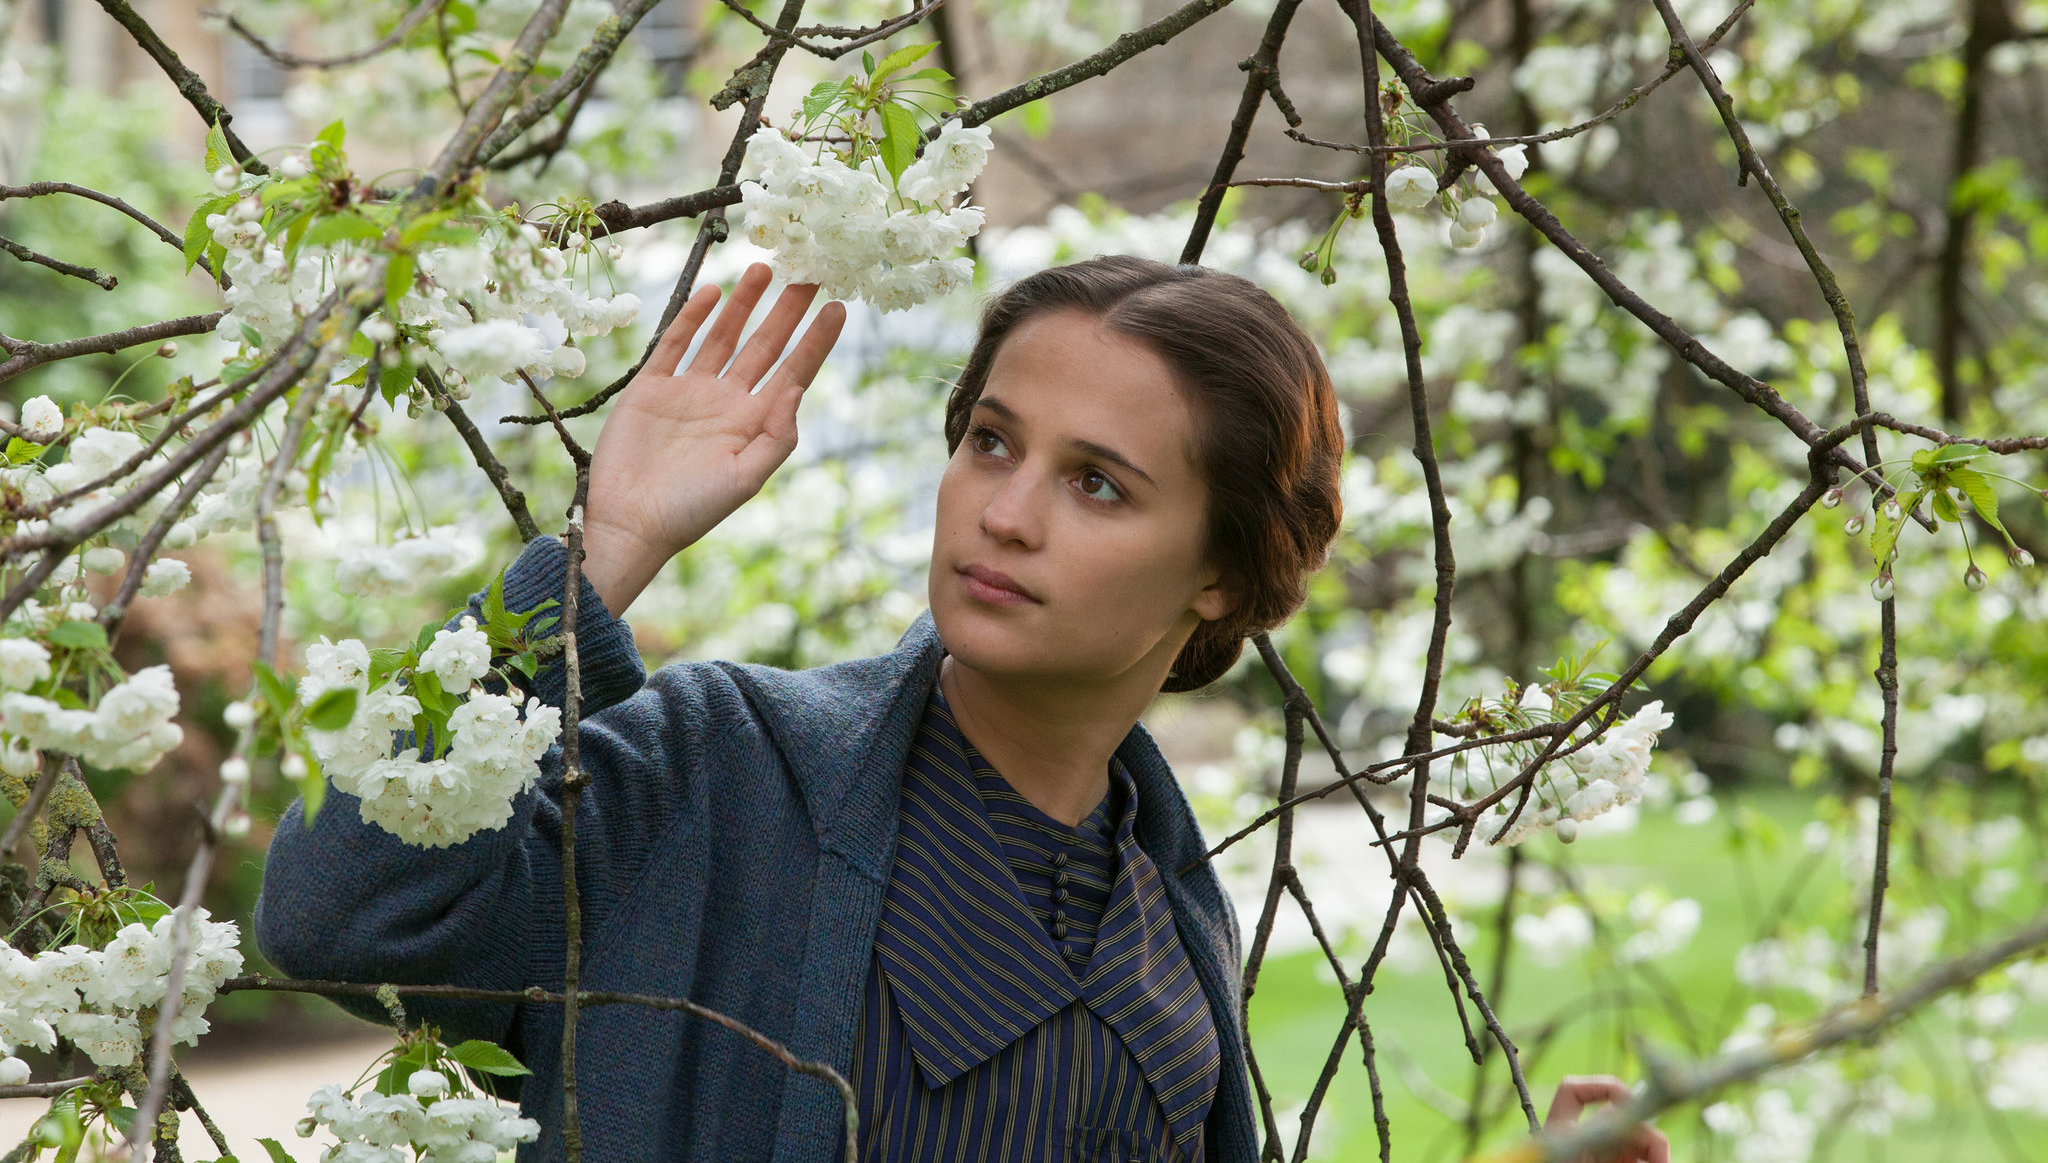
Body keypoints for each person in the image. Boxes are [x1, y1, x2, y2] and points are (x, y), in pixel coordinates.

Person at [256, 255, 1667, 1163]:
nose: (1004, 511)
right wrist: (600, 549)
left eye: (1096, 481)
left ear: (1229, 576)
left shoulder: (1172, 929)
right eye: (992, 440)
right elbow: (342, 906)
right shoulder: (721, 772)